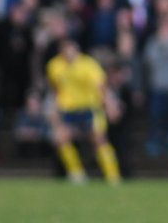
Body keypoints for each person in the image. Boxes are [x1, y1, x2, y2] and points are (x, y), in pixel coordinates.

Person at [44, 37, 122, 184]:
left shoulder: (88, 64)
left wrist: (110, 105)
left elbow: (101, 87)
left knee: (99, 139)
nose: (69, 53)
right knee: (60, 138)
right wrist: (53, 107)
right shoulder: (54, 66)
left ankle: (113, 176)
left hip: (89, 108)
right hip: (69, 109)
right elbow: (55, 88)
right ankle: (77, 174)